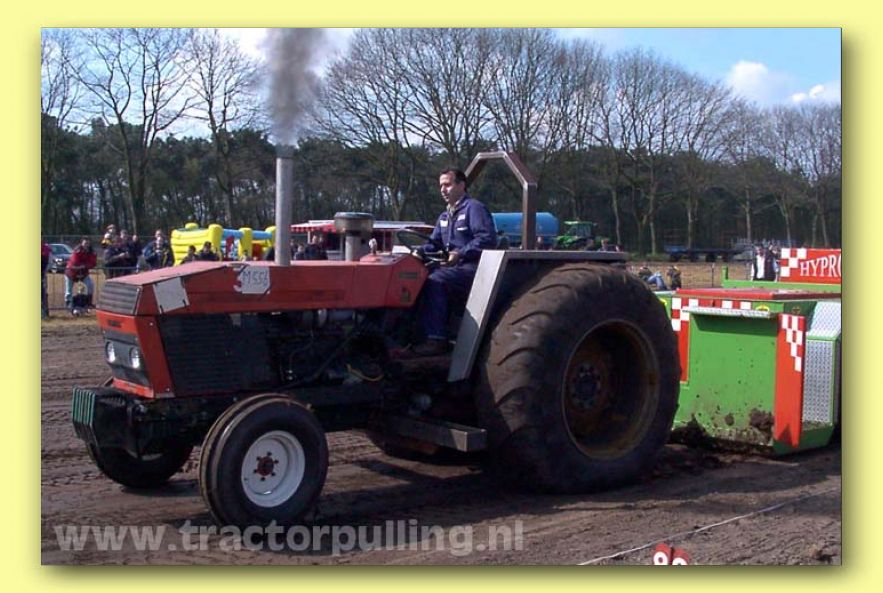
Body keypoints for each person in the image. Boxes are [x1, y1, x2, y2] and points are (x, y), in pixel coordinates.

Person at [413, 168, 496, 356]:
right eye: (441, 186)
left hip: (473, 268)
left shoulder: (474, 209)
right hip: (452, 267)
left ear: (461, 185)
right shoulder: (445, 215)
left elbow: (486, 239)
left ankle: (436, 339)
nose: (443, 189)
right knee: (414, 277)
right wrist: (417, 253)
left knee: (435, 281)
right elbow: (434, 244)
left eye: (447, 185)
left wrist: (460, 253)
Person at [64, 237, 97, 309]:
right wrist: (85, 265)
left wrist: (84, 265)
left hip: (83, 273)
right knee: (68, 290)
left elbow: (93, 263)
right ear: (81, 243)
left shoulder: (92, 252)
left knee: (90, 284)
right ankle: (68, 304)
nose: (86, 245)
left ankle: (89, 302)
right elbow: (75, 263)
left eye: (88, 243)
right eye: (85, 243)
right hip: (71, 273)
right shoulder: (77, 251)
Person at [41, 241, 51, 318]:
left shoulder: (46, 248)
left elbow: (49, 262)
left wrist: (45, 271)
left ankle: (44, 313)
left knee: (43, 293)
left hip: (42, 274)